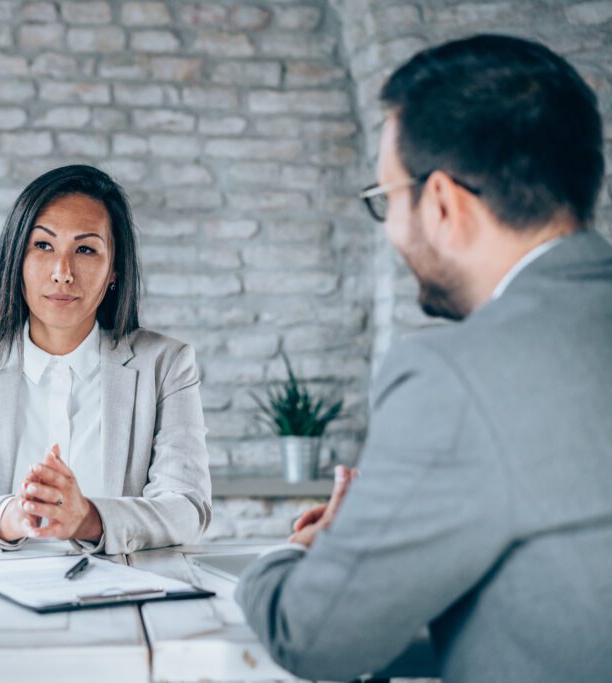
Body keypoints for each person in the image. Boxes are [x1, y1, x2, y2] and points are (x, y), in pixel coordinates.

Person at [236, 34, 612, 683]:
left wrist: (291, 554)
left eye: (387, 198)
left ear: (441, 202)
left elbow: (314, 636)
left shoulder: (457, 377)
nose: (390, 227)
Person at [0, 164, 212, 554]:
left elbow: (187, 508)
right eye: (43, 245)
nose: (62, 273)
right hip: (0, 595)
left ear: (114, 270)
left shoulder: (165, 365)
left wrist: (87, 519)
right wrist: (14, 515)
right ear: (16, 258)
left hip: (122, 597)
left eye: (85, 249)